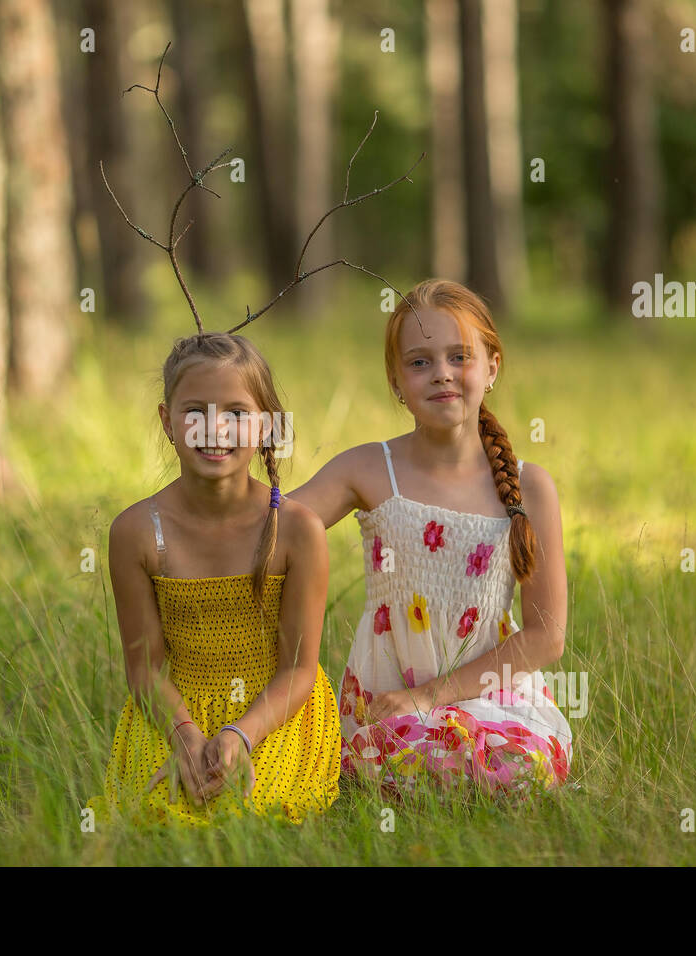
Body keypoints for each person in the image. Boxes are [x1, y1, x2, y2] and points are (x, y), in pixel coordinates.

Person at [288, 279, 574, 800]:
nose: (441, 372)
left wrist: (433, 696)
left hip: (494, 696)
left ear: (491, 367)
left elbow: (545, 637)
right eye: (419, 362)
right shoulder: (370, 468)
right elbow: (280, 525)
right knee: (403, 758)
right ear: (396, 381)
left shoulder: (530, 485)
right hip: (389, 701)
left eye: (459, 356)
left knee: (518, 765)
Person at [86, 331, 341, 826]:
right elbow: (145, 669)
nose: (214, 428)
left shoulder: (297, 530)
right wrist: (185, 735)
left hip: (274, 710)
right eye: (195, 411)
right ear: (167, 422)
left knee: (248, 813)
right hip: (173, 710)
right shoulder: (136, 532)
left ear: (267, 425)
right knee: (157, 814)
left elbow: (298, 670)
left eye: (236, 413)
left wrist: (239, 735)